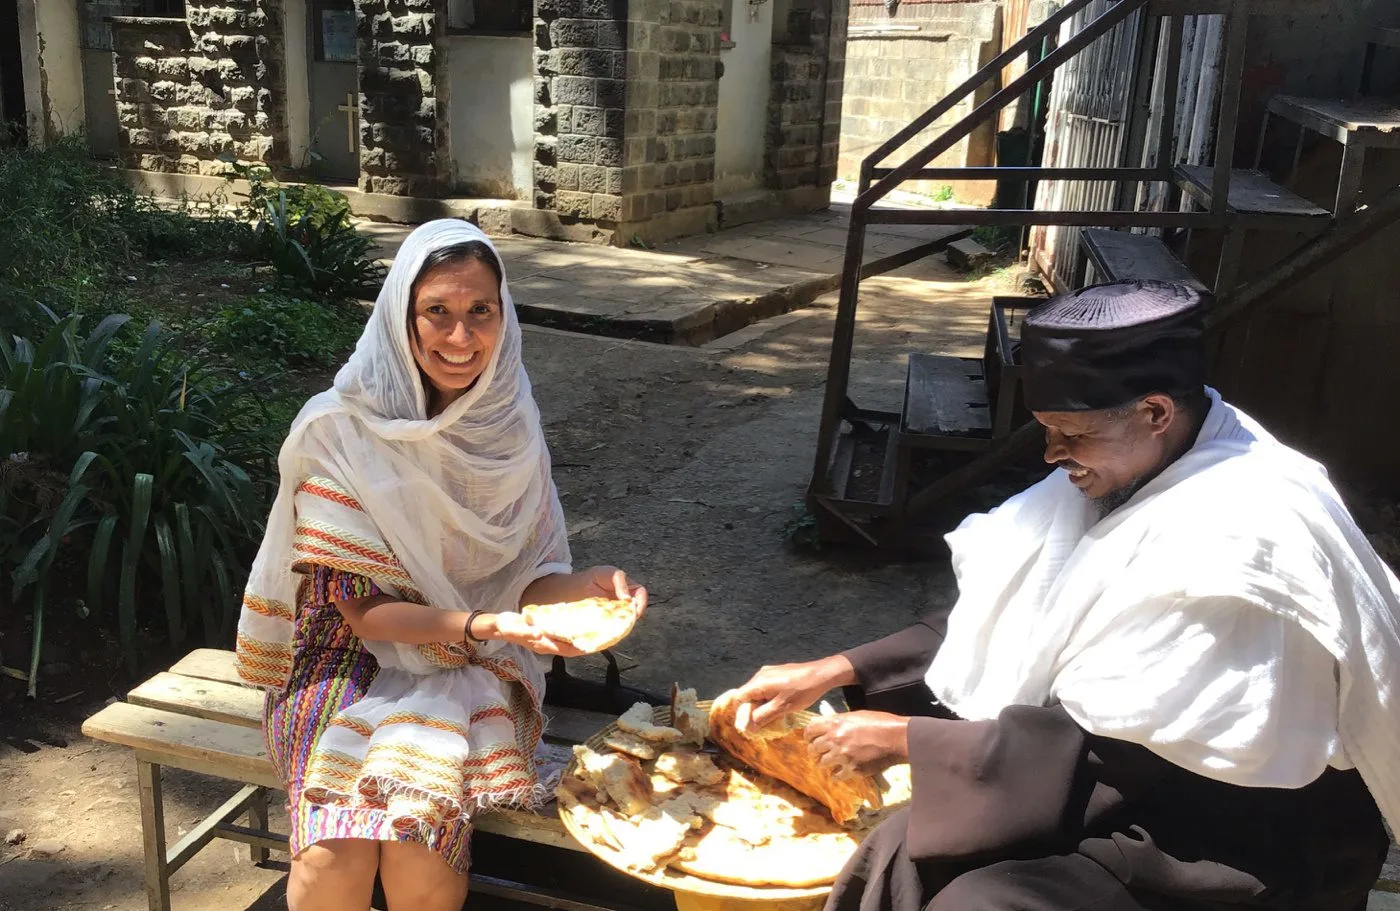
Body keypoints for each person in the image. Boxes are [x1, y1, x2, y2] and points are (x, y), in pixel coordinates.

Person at [732, 280, 1400, 911]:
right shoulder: (1139, 458)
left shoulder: (1237, 538)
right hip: (1125, 783)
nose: (1052, 454)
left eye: (1072, 433)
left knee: (979, 901)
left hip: (1233, 835)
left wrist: (909, 739)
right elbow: (1011, 614)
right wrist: (841, 668)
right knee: (900, 850)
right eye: (1046, 428)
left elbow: (1118, 748)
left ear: (1156, 412)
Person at [233, 219, 647, 911]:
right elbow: (364, 613)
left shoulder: (508, 425)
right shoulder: (340, 430)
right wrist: (488, 624)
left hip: (473, 663)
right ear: (403, 316)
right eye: (437, 311)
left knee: (418, 846)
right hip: (342, 658)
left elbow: (525, 580)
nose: (462, 336)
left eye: (480, 310)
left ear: (503, 314)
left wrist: (585, 588)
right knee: (336, 856)